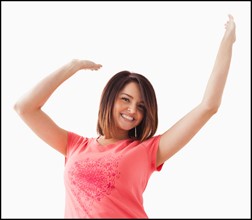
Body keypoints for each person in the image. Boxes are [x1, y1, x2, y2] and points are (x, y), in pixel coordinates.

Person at [14, 14, 236, 218]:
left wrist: (227, 41)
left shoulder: (147, 151)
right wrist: (72, 67)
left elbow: (208, 106)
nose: (132, 110)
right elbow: (24, 107)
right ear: (109, 99)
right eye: (126, 99)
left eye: (141, 106)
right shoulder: (74, 145)